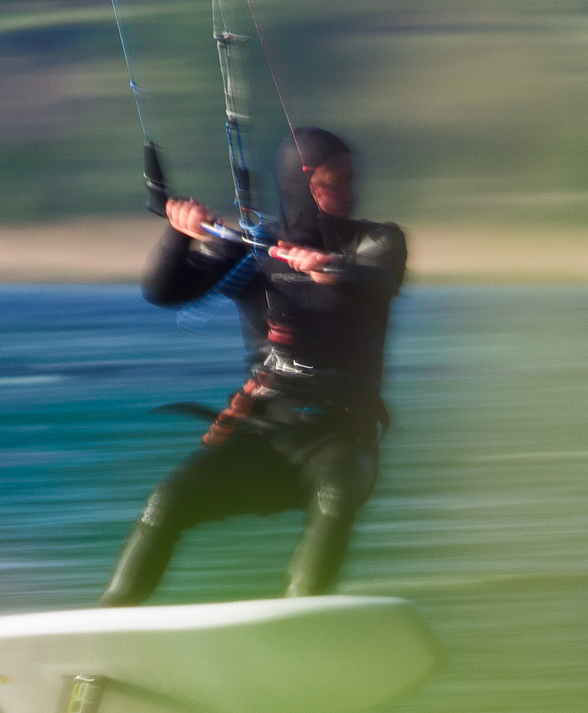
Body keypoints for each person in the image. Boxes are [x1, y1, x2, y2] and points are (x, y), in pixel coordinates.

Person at [99, 126, 407, 605]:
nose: (347, 193)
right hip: (262, 435)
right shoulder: (251, 249)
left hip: (342, 438)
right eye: (332, 183)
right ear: (300, 184)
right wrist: (179, 235)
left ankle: (302, 612)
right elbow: (163, 291)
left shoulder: (376, 240)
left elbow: (377, 279)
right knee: (167, 500)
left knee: (336, 496)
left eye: (350, 180)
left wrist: (328, 268)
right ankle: (110, 621)